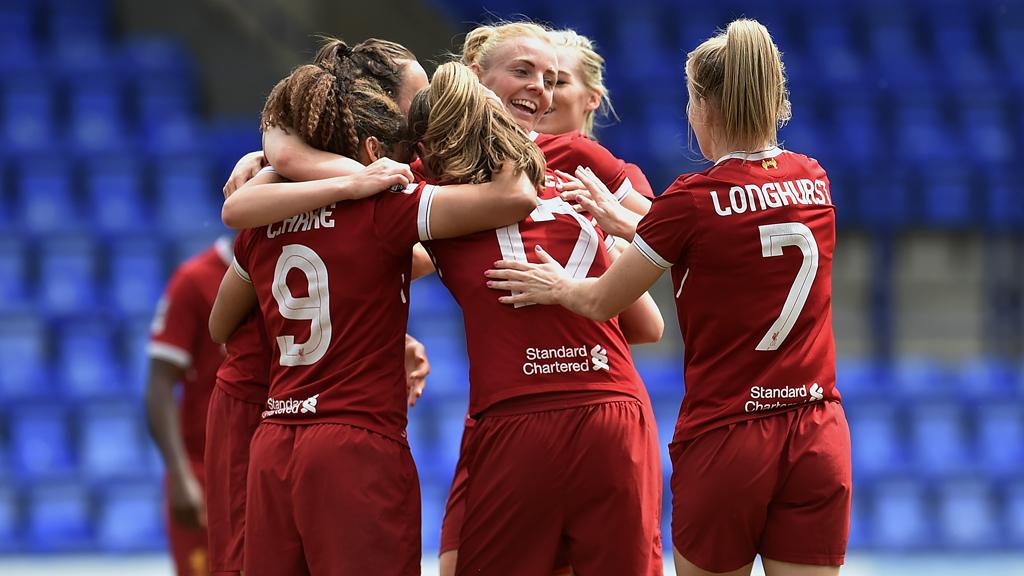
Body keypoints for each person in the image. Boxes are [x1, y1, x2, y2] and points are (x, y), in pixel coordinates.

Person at [486, 18, 851, 576]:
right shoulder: (813, 179)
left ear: (705, 108)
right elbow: (734, 239)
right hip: (817, 431)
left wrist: (556, 284)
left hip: (729, 434)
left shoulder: (692, 200)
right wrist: (633, 222)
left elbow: (602, 300)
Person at [212, 56, 541, 575]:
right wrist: (493, 128)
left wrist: (274, 166)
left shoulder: (262, 219)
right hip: (355, 441)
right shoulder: (386, 208)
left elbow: (218, 324)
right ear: (372, 150)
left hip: (273, 441)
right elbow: (515, 197)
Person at [410, 61, 665, 576]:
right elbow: (648, 318)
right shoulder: (582, 174)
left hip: (520, 415)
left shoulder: (430, 187)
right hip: (597, 405)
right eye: (527, 73)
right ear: (477, 77)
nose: (543, 92)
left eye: (555, 81)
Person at [201, 38, 431, 576]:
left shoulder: (273, 189)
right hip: (286, 410)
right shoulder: (381, 195)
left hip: (273, 419)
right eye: (417, 99)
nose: (425, 118)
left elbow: (222, 317)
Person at [145, 236, 232, 576]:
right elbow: (159, 382)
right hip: (206, 470)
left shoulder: (292, 273)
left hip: (269, 466)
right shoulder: (195, 279)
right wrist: (180, 475)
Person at [537, 28, 654, 201]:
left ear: (592, 98)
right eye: (530, 77)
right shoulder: (496, 164)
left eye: (559, 82)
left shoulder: (625, 176)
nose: (540, 90)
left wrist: (606, 206)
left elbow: (653, 227)